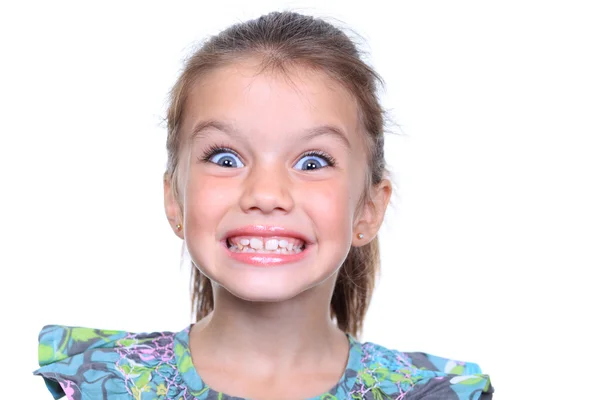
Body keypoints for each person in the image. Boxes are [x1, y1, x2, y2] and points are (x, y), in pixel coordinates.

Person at [33, 11, 493, 400]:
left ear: (368, 210)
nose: (266, 194)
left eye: (313, 161)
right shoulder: (105, 382)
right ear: (175, 199)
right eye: (225, 158)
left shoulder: (430, 391)